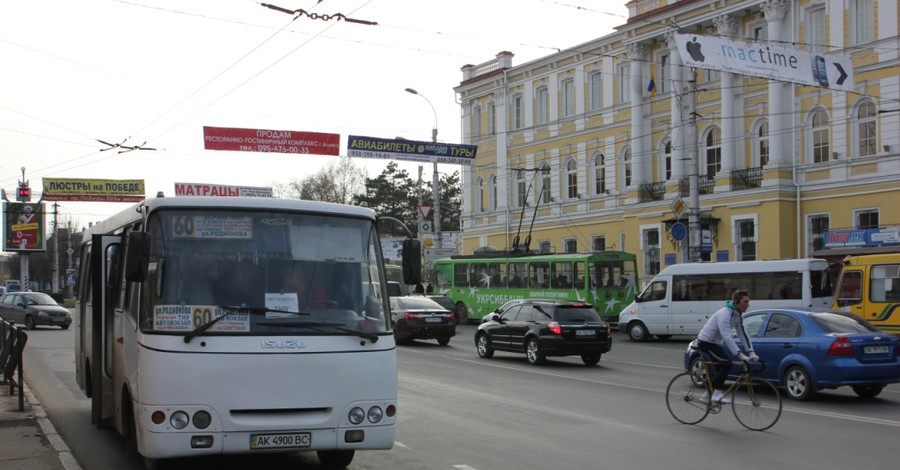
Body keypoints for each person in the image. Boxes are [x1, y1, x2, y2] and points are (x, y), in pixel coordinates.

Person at [695, 289, 759, 404]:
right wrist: (739, 354)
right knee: (727, 363)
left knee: (722, 369)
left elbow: (743, 334)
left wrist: (751, 352)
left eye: (748, 301)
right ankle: (717, 394)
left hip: (715, 344)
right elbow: (727, 336)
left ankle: (706, 396)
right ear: (736, 302)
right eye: (745, 301)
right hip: (706, 343)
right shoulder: (725, 313)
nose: (748, 304)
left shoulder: (737, 315)